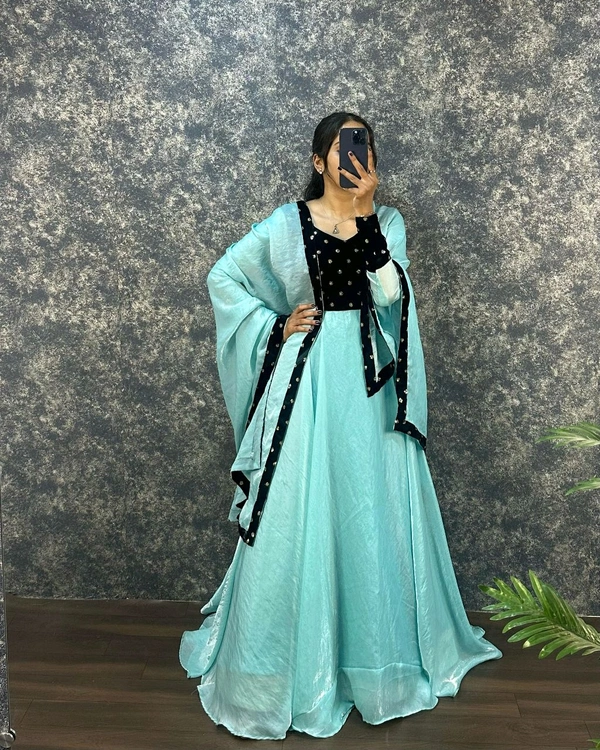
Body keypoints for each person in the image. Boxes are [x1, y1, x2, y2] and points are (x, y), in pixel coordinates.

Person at [179, 111, 503, 740]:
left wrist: (367, 211)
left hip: (372, 391)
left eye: (366, 144)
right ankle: (286, 670)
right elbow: (225, 277)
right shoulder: (286, 224)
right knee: (300, 507)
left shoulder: (388, 222)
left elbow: (390, 296)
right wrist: (275, 324)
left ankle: (373, 665)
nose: (357, 155)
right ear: (318, 160)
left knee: (370, 507)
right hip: (309, 383)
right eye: (345, 145)